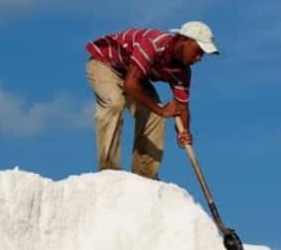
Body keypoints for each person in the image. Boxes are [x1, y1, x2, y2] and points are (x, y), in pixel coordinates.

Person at [85, 21, 218, 180]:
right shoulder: (154, 44)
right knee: (114, 103)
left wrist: (184, 132)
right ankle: (109, 171)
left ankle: (145, 176)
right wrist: (161, 109)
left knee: (156, 116)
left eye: (202, 54)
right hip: (105, 63)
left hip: (132, 73)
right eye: (198, 51)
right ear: (183, 40)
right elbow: (130, 84)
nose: (199, 58)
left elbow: (181, 106)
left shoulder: (183, 71)